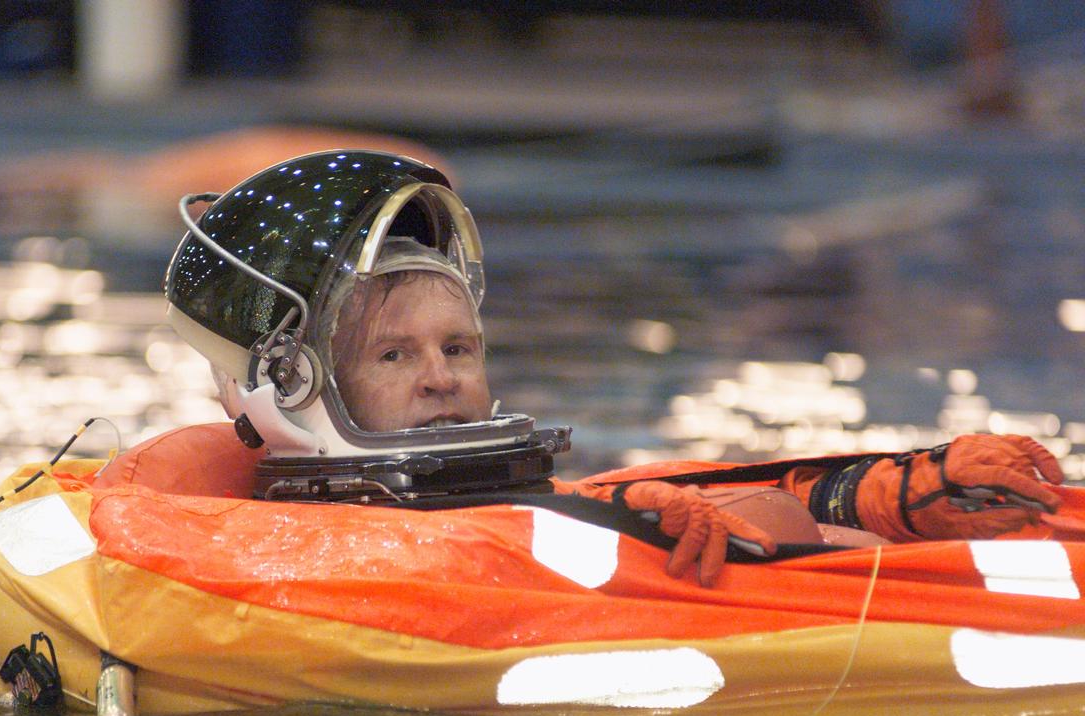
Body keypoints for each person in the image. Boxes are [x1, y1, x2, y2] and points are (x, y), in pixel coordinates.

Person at [163, 150, 1064, 587]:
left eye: (458, 347)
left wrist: (869, 496)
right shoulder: (298, 557)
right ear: (290, 384)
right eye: (395, 353)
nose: (441, 376)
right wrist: (640, 528)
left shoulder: (512, 502)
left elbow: (578, 507)